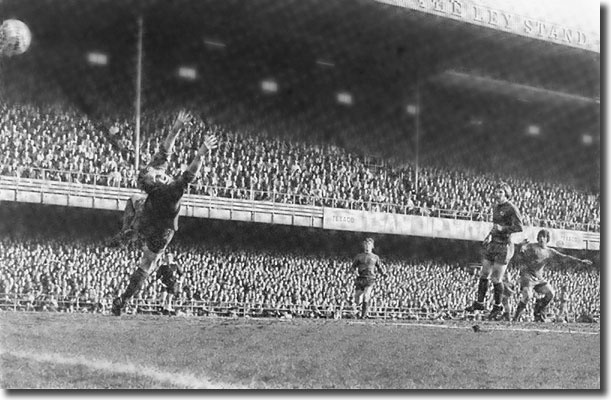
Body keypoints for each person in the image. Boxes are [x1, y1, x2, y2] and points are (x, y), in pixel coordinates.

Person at [111, 110, 218, 316]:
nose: (160, 170)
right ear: (158, 180)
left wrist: (177, 127)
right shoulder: (171, 191)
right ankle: (124, 299)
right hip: (163, 230)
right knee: (147, 263)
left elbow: (165, 150)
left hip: (147, 218)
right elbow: (190, 173)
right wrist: (201, 153)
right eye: (158, 173)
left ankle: (129, 231)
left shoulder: (150, 180)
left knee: (134, 200)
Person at [466, 182, 523, 320]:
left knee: (496, 278)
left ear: (506, 193)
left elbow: (519, 227)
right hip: (493, 243)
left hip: (504, 246)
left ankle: (497, 306)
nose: (497, 194)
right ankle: (479, 303)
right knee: (484, 273)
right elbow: (494, 226)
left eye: (501, 192)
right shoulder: (496, 207)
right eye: (496, 191)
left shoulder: (511, 208)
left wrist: (503, 229)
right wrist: (488, 236)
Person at [513, 229, 592, 322]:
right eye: (540, 236)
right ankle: (516, 318)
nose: (541, 238)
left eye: (543, 236)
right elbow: (519, 252)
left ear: (547, 239)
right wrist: (520, 246)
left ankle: (538, 310)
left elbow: (564, 257)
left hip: (539, 278)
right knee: (528, 296)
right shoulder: (531, 246)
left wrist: (580, 261)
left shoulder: (550, 251)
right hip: (528, 276)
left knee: (551, 293)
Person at [350, 237, 387, 319]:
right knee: (357, 297)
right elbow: (352, 267)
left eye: (369, 244)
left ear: (372, 246)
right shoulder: (359, 256)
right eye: (366, 244)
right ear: (363, 245)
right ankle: (357, 311)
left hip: (370, 278)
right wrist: (354, 272)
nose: (367, 246)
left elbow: (380, 267)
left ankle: (363, 315)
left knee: (366, 295)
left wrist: (384, 274)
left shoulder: (375, 257)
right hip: (360, 278)